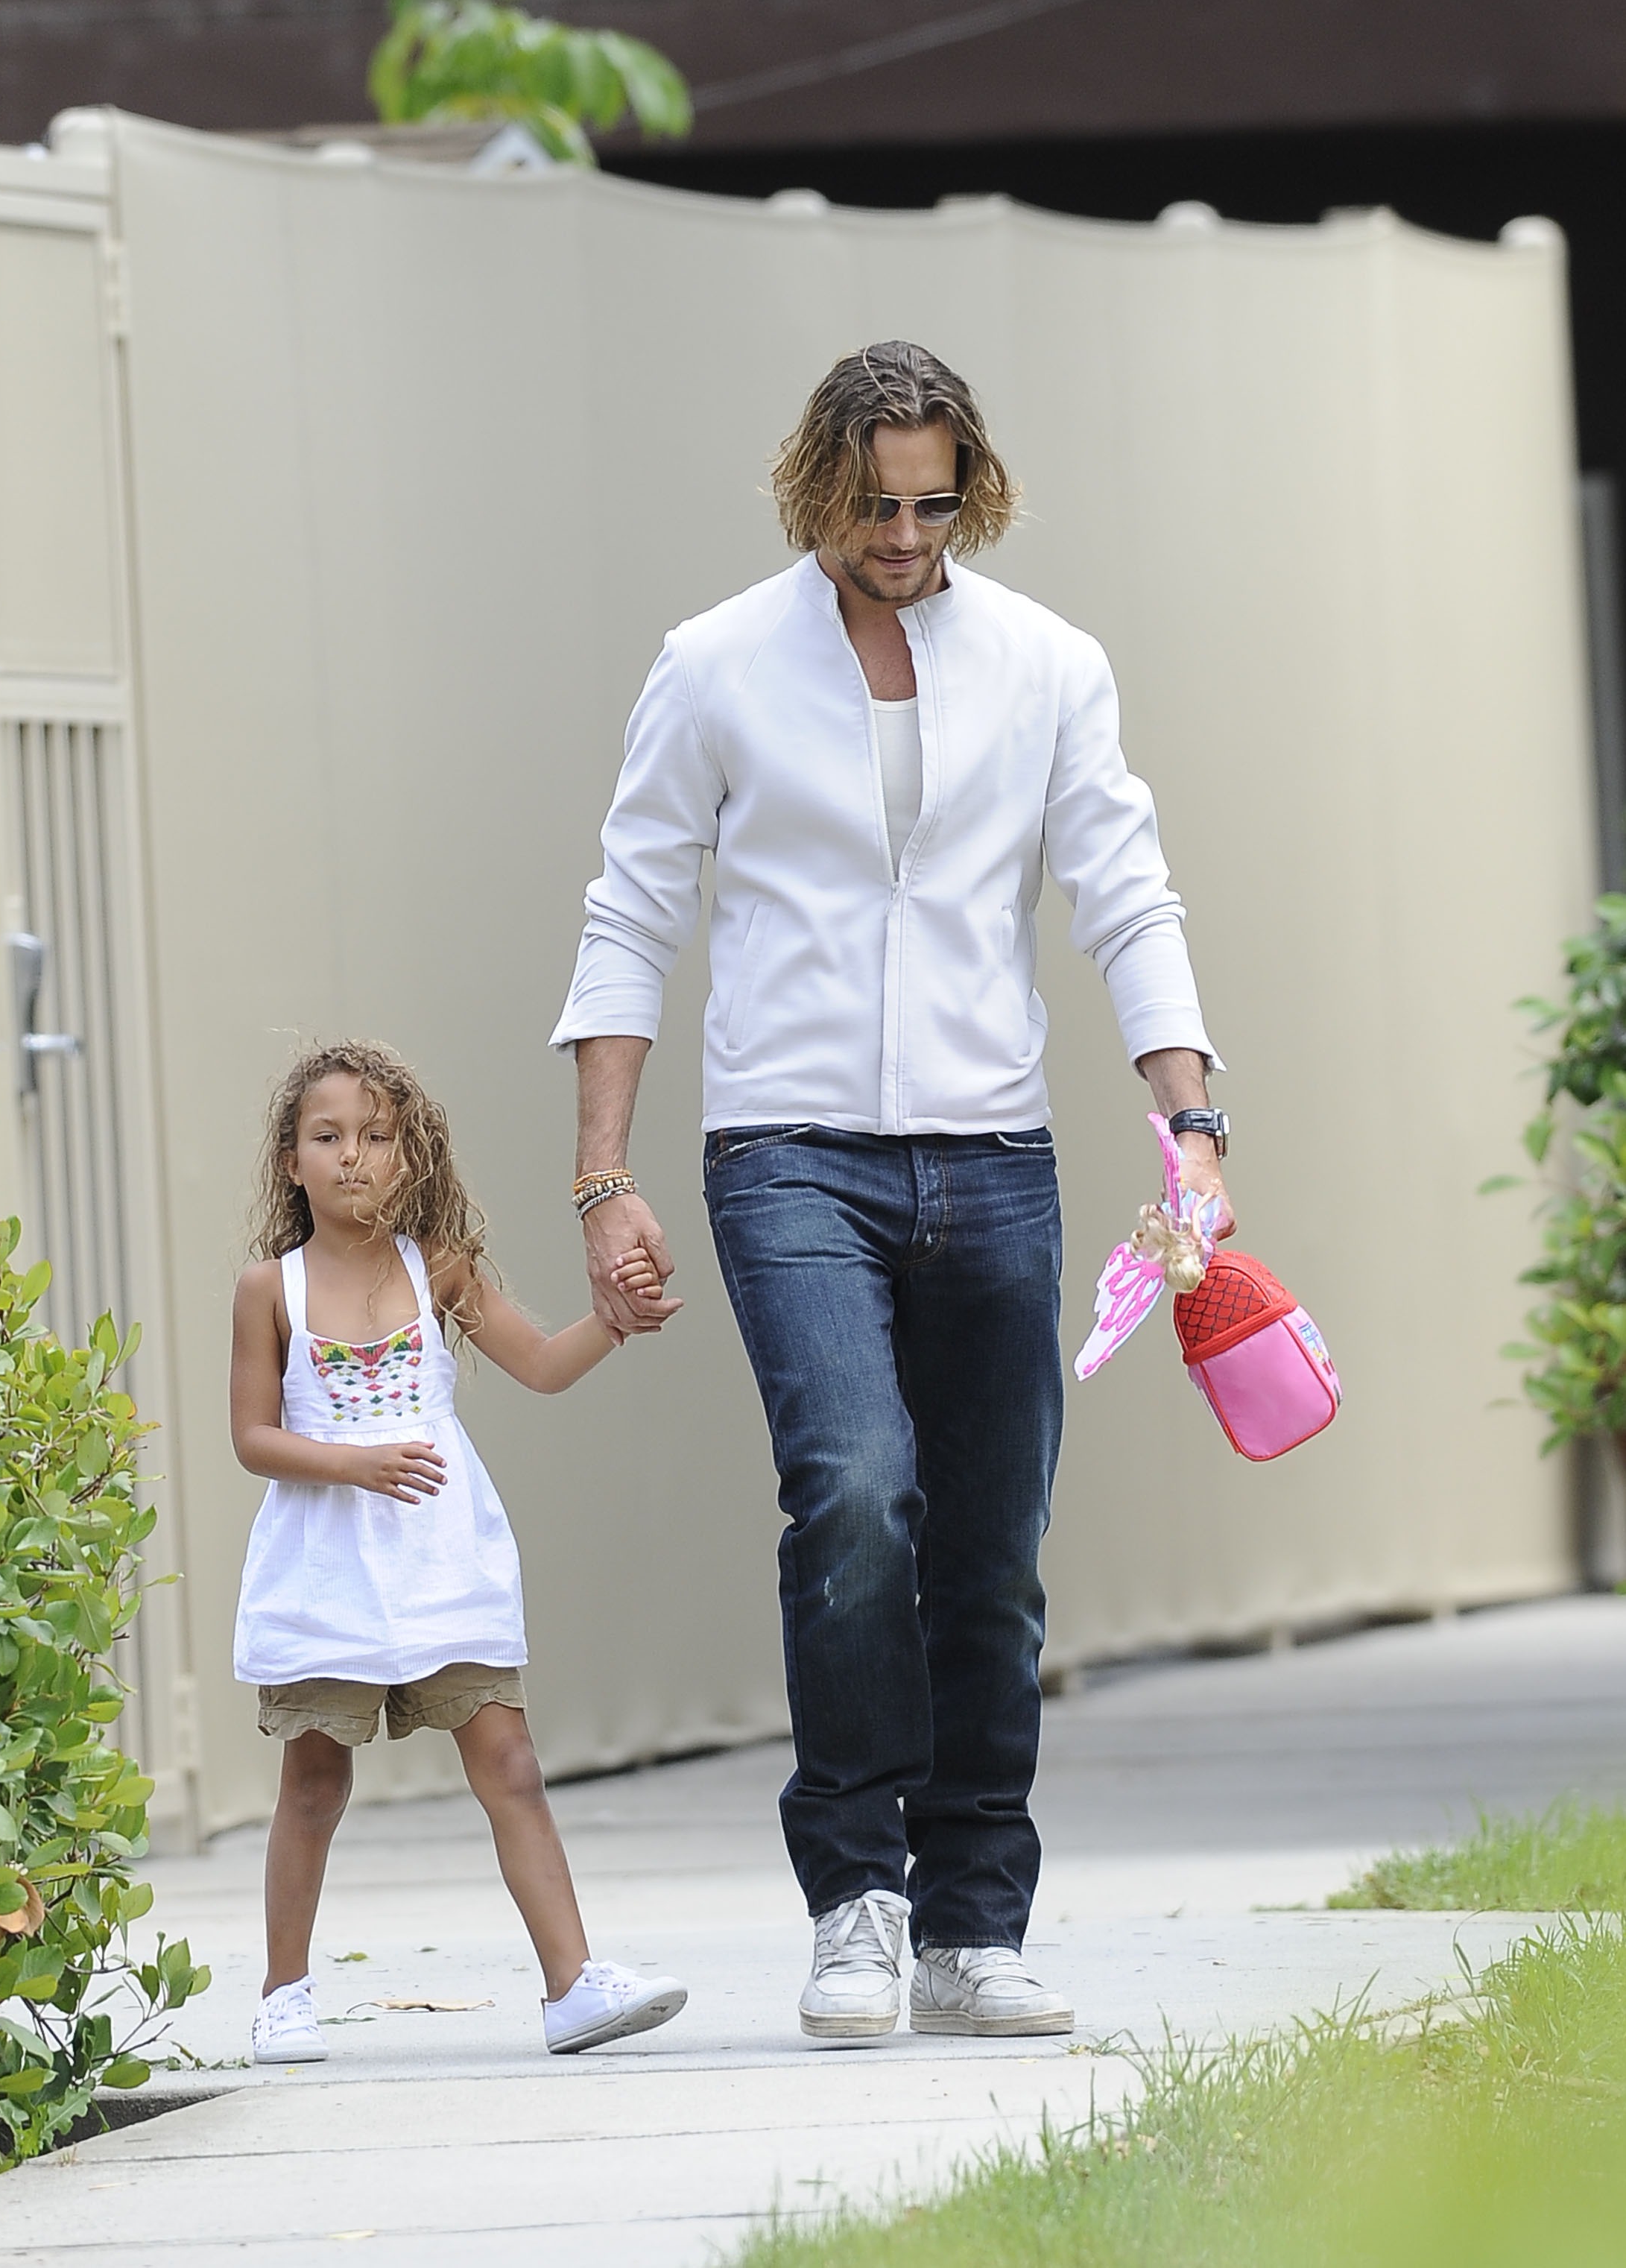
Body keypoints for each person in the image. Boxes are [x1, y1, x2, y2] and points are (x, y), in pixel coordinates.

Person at [551, 341, 1233, 2044]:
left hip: (994, 1156)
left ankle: (973, 1919)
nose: (906, 536)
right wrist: (603, 1178)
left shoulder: (1048, 664)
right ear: (819, 490)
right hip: (788, 1154)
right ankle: (856, 1899)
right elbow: (632, 912)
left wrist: (1194, 1118)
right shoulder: (713, 665)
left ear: (970, 489)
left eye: (935, 503)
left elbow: (1123, 891)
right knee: (856, 1492)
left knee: (992, 1547)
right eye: (876, 505)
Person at [229, 1039, 686, 2064]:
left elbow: (541, 1365)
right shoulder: (271, 1289)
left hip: (444, 1563)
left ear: (411, 1154)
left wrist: (612, 1323)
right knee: (314, 1782)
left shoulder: (441, 1269)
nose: (354, 1154)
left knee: (511, 1763)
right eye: (328, 1136)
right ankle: (283, 1993)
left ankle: (573, 1986)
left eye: (378, 1135)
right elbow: (252, 1437)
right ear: (291, 1160)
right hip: (328, 1572)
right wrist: (354, 1465)